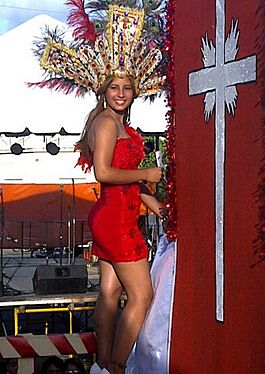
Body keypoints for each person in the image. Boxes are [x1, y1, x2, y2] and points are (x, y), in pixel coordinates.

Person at [31, 2, 167, 373]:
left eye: (126, 87)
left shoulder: (115, 122)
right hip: (115, 220)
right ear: (103, 90)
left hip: (115, 214)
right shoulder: (106, 123)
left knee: (109, 292)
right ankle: (118, 366)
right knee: (142, 295)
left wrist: (149, 201)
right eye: (114, 87)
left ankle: (103, 362)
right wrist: (146, 176)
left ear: (134, 91)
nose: (120, 93)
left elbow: (118, 177)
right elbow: (104, 173)